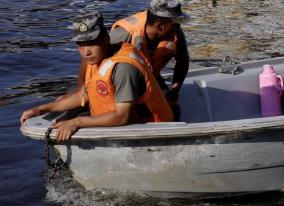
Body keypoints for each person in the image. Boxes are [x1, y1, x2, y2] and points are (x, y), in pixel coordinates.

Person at [19, 12, 175, 141]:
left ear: (106, 40)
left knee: (77, 119)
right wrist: (41, 108)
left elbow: (122, 117)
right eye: (81, 45)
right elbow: (83, 94)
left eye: (92, 43)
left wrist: (77, 122)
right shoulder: (97, 60)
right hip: (120, 124)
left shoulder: (124, 68)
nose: (86, 51)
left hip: (152, 130)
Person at [109, 0, 190, 107]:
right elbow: (90, 61)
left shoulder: (176, 35)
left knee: (172, 109)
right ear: (160, 26)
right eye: (176, 25)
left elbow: (183, 62)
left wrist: (174, 91)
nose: (178, 29)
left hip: (149, 77)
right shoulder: (123, 34)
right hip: (122, 83)